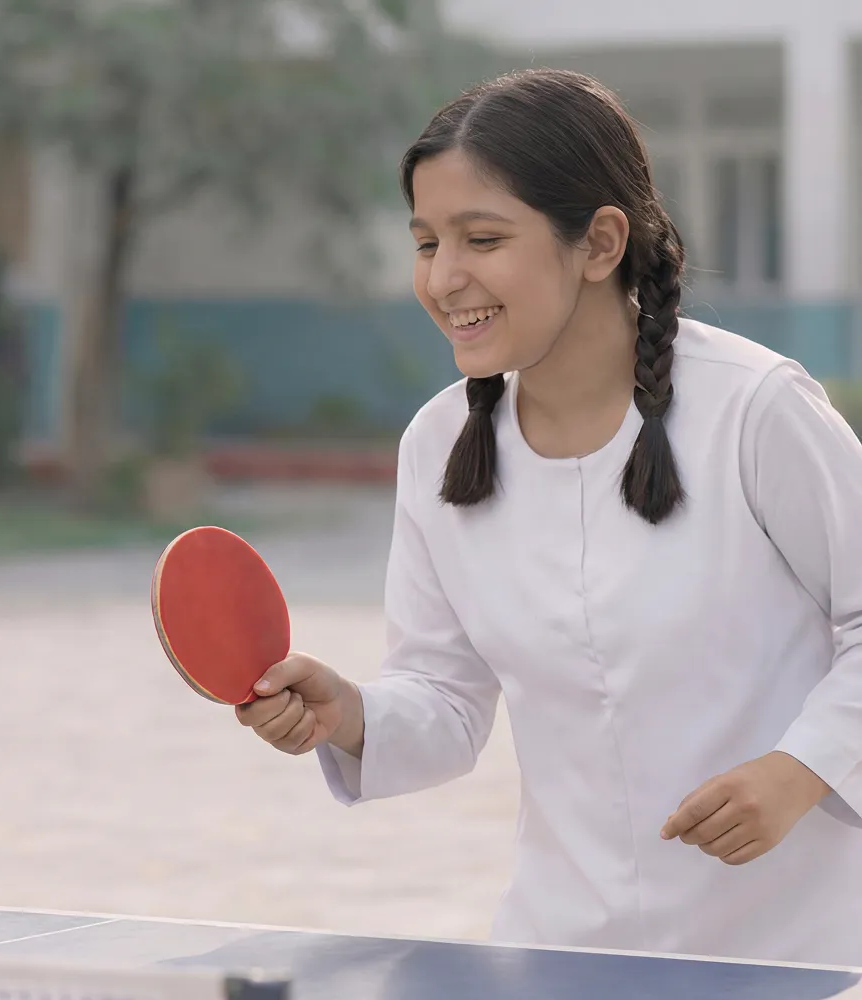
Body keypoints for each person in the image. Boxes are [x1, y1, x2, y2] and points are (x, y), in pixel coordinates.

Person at [235, 67, 862, 967]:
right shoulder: (438, 443)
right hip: (556, 955)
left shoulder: (757, 411)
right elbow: (448, 704)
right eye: (425, 242)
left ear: (600, 241)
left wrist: (800, 770)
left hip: (797, 957)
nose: (445, 278)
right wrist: (349, 714)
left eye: (482, 238)